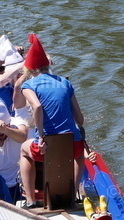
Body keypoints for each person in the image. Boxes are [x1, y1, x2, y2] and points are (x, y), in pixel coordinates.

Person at [17, 33, 93, 209]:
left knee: (23, 150)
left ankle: (30, 200)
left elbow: (36, 107)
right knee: (78, 155)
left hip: (47, 144)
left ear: (29, 69)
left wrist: (41, 136)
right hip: (71, 143)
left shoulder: (29, 85)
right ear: (46, 65)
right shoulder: (66, 83)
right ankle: (72, 197)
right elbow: (80, 120)